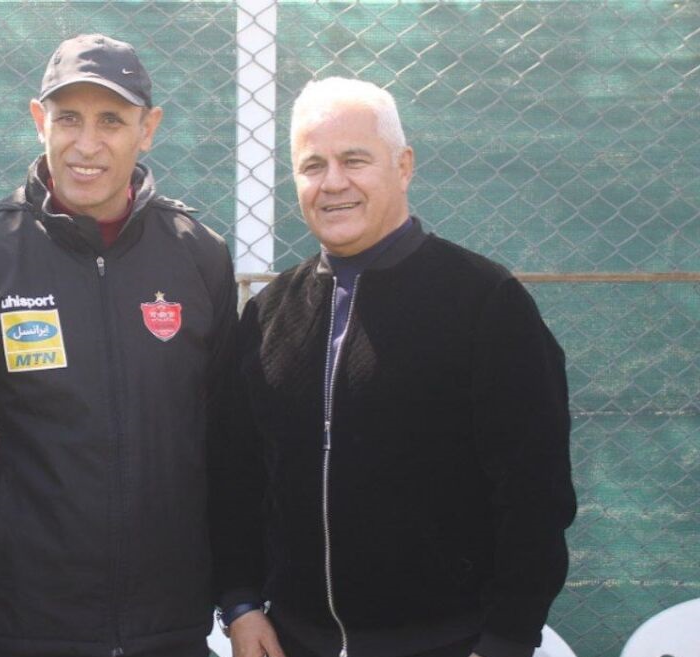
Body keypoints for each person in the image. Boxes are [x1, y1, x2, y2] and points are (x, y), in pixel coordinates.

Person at [210, 77, 576, 657]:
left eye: (354, 160)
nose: (333, 183)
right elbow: (238, 473)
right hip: (293, 639)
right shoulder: (269, 313)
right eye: (312, 165)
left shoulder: (485, 302)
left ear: (403, 166)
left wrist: (508, 638)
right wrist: (241, 603)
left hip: (449, 640)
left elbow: (536, 490)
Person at [0, 34, 238, 657]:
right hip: (24, 625)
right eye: (68, 118)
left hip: (171, 625)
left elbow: (226, 437)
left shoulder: (199, 257)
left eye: (112, 121)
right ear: (39, 121)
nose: (87, 144)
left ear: (148, 129)